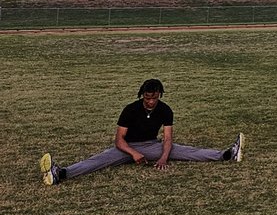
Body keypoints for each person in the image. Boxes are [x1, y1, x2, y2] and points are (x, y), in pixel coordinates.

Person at [39, 78, 244, 185]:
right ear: (141, 96)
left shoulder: (165, 110)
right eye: (147, 98)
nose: (150, 102)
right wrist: (134, 154)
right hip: (126, 148)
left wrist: (163, 157)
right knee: (98, 161)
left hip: (151, 146)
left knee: (184, 151)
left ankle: (226, 155)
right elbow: (119, 140)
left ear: (159, 95)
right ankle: (62, 174)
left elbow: (168, 138)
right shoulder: (130, 109)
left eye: (154, 98)